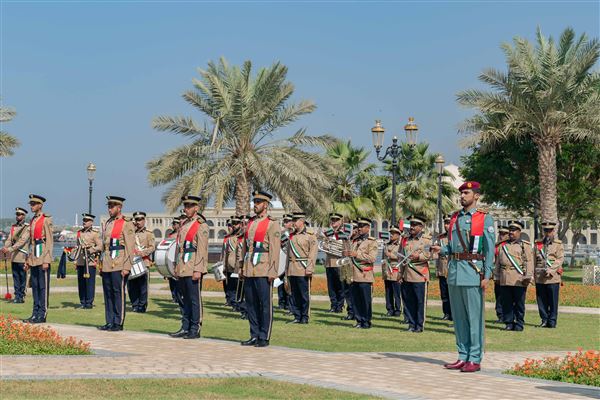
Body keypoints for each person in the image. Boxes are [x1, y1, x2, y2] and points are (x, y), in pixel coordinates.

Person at [432, 181, 495, 373]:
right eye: (461, 193)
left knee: (474, 318)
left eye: (466, 193)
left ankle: (474, 358)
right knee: (459, 318)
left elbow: (490, 249)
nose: (462, 196)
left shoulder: (484, 219)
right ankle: (462, 355)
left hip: (473, 272)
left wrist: (487, 274)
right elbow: (452, 246)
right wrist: (440, 249)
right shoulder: (455, 218)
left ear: (476, 195)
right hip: (455, 272)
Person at [240, 191, 280, 348]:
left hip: (264, 269)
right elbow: (245, 248)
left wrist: (273, 271)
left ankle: (264, 336)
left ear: (266, 205)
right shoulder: (250, 223)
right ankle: (254, 334)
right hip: (250, 268)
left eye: (258, 202)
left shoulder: (272, 223)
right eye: (254, 201)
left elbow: (275, 250)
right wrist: (242, 267)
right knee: (251, 304)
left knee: (265, 304)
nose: (255, 204)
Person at [169, 195, 209, 339]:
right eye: (185, 206)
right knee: (184, 299)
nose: (186, 209)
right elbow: (180, 247)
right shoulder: (184, 224)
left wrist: (198, 269)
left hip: (193, 266)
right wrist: (176, 266)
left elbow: (202, 250)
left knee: (194, 299)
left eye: (190, 206)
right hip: (183, 266)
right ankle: (185, 326)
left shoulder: (201, 225)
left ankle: (195, 327)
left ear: (196, 208)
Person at [98, 196, 135, 332]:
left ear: (119, 208)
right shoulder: (108, 223)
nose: (109, 209)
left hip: (119, 263)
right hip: (107, 262)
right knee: (108, 293)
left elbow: (130, 247)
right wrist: (101, 264)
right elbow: (104, 246)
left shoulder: (126, 223)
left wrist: (127, 266)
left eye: (112, 206)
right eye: (108, 206)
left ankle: (118, 322)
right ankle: (109, 321)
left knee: (118, 292)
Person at [495, 220, 533, 331]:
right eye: (510, 230)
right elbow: (498, 262)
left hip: (518, 278)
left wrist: (528, 276)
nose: (511, 232)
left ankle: (519, 323)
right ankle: (509, 323)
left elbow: (529, 262)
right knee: (506, 302)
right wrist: (496, 275)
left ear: (519, 232)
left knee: (519, 303)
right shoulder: (503, 246)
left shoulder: (524, 246)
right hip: (504, 277)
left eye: (514, 230)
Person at [23, 195, 53, 323]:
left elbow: (50, 241)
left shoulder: (46, 219)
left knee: (43, 287)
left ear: (40, 205)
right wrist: (28, 260)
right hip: (34, 256)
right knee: (34, 286)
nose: (32, 206)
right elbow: (30, 242)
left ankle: (42, 314)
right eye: (31, 204)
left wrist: (47, 259)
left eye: (34, 204)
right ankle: (35, 313)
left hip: (42, 257)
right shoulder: (32, 220)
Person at [398, 215, 432, 333]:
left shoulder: (426, 240)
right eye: (411, 224)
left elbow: (430, 255)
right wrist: (400, 274)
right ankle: (411, 324)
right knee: (409, 301)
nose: (411, 227)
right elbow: (400, 257)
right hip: (407, 275)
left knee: (419, 302)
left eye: (414, 225)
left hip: (419, 275)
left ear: (421, 227)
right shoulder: (405, 239)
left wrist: (419, 256)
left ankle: (419, 325)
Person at [344, 217, 378, 329]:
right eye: (358, 226)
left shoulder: (371, 242)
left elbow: (372, 258)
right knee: (356, 300)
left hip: (364, 275)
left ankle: (366, 322)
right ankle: (359, 321)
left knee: (365, 301)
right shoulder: (355, 240)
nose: (359, 229)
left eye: (361, 226)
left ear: (368, 228)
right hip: (354, 275)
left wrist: (356, 255)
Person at [286, 211, 317, 324]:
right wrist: (286, 270)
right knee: (294, 294)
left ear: (302, 221)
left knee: (304, 294)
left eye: (296, 220)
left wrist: (310, 267)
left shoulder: (310, 235)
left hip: (303, 268)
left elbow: (313, 253)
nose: (293, 223)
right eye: (293, 220)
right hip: (292, 268)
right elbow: (288, 254)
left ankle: (304, 316)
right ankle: (297, 315)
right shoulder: (292, 235)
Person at [534, 221, 564, 328]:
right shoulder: (538, 244)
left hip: (552, 277)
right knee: (541, 300)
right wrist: (533, 275)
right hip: (540, 277)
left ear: (553, 231)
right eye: (546, 231)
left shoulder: (558, 244)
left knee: (553, 301)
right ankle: (544, 320)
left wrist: (551, 270)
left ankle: (552, 321)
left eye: (550, 231)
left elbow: (559, 259)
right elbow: (533, 261)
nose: (548, 233)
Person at [1, 207, 30, 304]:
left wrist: (9, 249)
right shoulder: (13, 227)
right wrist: (5, 247)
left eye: (20, 214)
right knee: (15, 277)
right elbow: (9, 239)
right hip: (14, 256)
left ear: (24, 216)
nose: (18, 216)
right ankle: (17, 295)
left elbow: (22, 242)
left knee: (23, 277)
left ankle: (21, 296)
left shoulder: (27, 227)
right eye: (17, 214)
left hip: (22, 255)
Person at [128, 211, 155, 313]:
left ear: (144, 220)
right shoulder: (130, 233)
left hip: (143, 262)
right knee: (131, 286)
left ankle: (142, 306)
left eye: (140, 219)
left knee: (143, 287)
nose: (138, 221)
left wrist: (142, 253)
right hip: (131, 262)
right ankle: (134, 304)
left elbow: (152, 247)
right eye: (136, 219)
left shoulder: (148, 233)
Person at [74, 213, 102, 309]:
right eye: (84, 220)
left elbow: (100, 246)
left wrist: (90, 250)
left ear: (91, 222)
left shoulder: (95, 233)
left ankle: (89, 302)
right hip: (81, 261)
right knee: (81, 283)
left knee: (89, 283)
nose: (84, 222)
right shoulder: (79, 233)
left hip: (90, 261)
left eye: (86, 221)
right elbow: (77, 246)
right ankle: (82, 301)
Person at [324, 212, 345, 313]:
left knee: (340, 286)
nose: (333, 222)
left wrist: (334, 245)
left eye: (336, 220)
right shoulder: (328, 233)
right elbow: (323, 245)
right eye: (332, 220)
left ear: (341, 221)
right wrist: (327, 244)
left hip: (339, 262)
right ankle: (333, 305)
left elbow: (345, 246)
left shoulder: (344, 233)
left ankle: (340, 306)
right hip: (329, 263)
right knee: (331, 286)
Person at [340, 219, 358, 321]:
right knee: (346, 291)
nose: (353, 231)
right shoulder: (346, 239)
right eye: (351, 229)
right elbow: (342, 252)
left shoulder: (359, 240)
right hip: (345, 267)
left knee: (354, 292)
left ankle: (356, 312)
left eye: (354, 228)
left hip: (355, 268)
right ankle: (350, 312)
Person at [382, 225, 402, 317]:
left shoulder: (401, 245)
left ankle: (398, 310)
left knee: (397, 292)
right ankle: (390, 309)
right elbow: (383, 258)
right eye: (390, 233)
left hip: (396, 270)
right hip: (387, 271)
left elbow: (401, 257)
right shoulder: (386, 244)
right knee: (388, 291)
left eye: (393, 233)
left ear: (398, 235)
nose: (391, 235)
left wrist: (391, 255)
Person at [223, 216, 242, 308]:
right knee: (230, 287)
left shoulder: (241, 237)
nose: (233, 226)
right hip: (229, 267)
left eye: (235, 224)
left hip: (238, 267)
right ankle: (232, 303)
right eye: (232, 224)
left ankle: (237, 305)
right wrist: (224, 266)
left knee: (238, 288)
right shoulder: (229, 238)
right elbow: (225, 254)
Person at [435, 216, 452, 321]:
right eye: (445, 223)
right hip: (442, 270)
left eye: (448, 223)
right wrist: (437, 269)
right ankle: (446, 313)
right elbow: (437, 255)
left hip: (452, 270)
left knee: (453, 295)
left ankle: (454, 315)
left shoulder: (456, 237)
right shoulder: (440, 238)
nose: (446, 225)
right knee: (444, 294)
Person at [493, 226, 510, 323]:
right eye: (500, 233)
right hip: (498, 273)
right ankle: (500, 315)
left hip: (509, 274)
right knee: (499, 296)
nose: (501, 236)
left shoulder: (509, 245)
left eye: (504, 234)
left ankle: (509, 315)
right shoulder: (497, 246)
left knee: (508, 296)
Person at [278, 214, 294, 311]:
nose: (285, 223)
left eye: (287, 221)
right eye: (284, 221)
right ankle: (281, 302)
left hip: (290, 261)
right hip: (282, 260)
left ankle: (289, 303)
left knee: (289, 283)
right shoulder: (281, 233)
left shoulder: (293, 234)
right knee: (280, 283)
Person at [166, 216, 182, 304]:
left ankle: (178, 296)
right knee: (171, 279)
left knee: (178, 280)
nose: (174, 226)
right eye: (173, 224)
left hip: (178, 258)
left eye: (175, 224)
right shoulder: (170, 235)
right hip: (171, 259)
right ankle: (174, 296)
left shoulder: (181, 234)